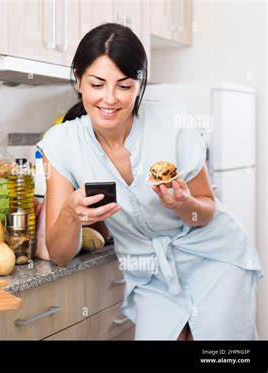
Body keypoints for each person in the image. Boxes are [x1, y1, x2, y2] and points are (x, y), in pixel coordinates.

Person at [36, 23, 263, 340]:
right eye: (98, 84)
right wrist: (72, 215)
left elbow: (206, 211)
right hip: (149, 274)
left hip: (213, 260)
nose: (110, 99)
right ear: (78, 79)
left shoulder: (174, 123)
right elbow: (59, 254)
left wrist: (185, 205)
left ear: (140, 85)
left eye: (124, 86)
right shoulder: (61, 143)